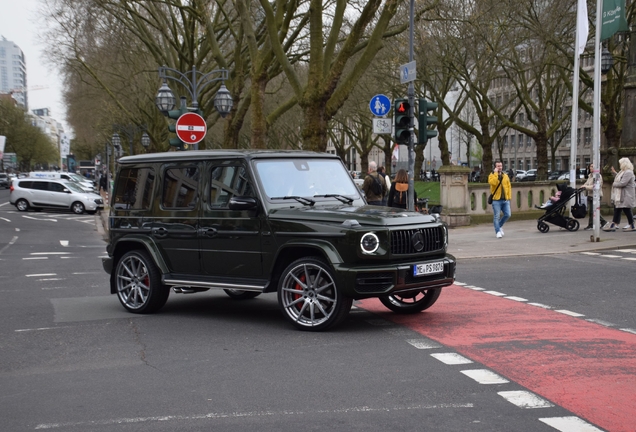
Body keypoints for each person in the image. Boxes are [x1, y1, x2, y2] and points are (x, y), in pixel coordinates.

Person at [602, 157, 635, 232]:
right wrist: (614, 173)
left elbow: (623, 183)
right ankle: (614, 224)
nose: (619, 165)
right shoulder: (623, 172)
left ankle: (631, 225)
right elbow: (620, 178)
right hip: (622, 195)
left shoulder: (628, 172)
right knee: (617, 209)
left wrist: (614, 184)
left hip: (626, 195)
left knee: (626, 209)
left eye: (620, 163)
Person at [488, 160, 512, 238]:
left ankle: (499, 226)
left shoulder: (505, 175)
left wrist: (508, 197)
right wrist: (495, 174)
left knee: (508, 214)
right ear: (495, 167)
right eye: (498, 166)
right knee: (496, 216)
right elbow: (493, 183)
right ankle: (497, 231)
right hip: (496, 200)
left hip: (505, 200)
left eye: (501, 166)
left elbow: (508, 187)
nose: (500, 168)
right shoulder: (491, 175)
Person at [582, 163, 607, 230]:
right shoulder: (590, 175)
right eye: (591, 166)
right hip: (590, 195)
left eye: (593, 167)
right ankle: (594, 224)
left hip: (596, 195)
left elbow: (595, 186)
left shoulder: (597, 176)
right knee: (592, 211)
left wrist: (586, 187)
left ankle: (601, 222)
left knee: (594, 211)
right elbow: (587, 183)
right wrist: (583, 186)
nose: (591, 168)